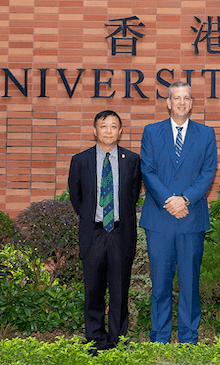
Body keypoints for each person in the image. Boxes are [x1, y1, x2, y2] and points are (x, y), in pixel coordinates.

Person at [139, 81, 218, 344]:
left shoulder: (206, 134)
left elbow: (208, 173)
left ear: (192, 102)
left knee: (189, 284)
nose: (182, 102)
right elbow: (147, 171)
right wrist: (168, 200)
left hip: (191, 218)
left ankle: (188, 337)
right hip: (159, 219)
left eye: (187, 98)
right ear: (169, 102)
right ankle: (159, 336)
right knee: (160, 283)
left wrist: (184, 199)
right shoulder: (151, 132)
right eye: (177, 98)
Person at [68, 110, 142, 352]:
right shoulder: (80, 161)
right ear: (94, 130)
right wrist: (95, 219)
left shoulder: (132, 160)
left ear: (120, 132)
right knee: (93, 288)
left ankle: (117, 338)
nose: (108, 131)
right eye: (104, 126)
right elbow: (77, 198)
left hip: (121, 232)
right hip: (94, 232)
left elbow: (132, 197)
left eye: (113, 126)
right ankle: (95, 338)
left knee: (120, 288)